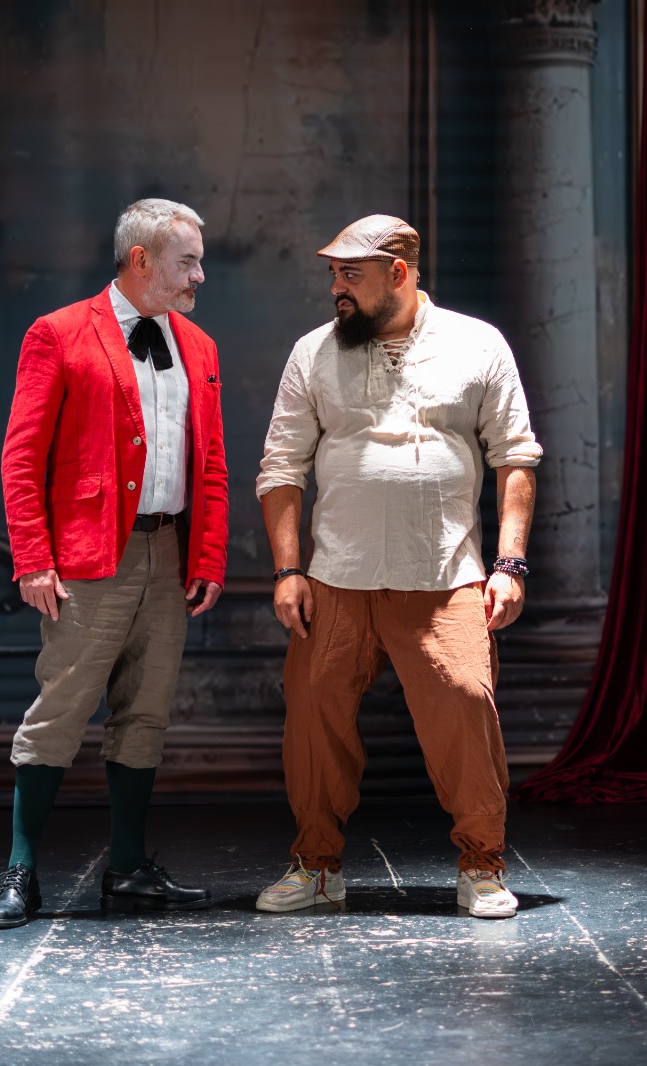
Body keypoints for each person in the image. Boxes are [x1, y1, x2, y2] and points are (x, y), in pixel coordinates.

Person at [253, 214, 542, 919]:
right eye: (333, 274)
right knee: (314, 719)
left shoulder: (477, 344)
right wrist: (289, 572)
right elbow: (281, 467)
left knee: (466, 707)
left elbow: (515, 458)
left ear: (400, 274)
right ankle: (316, 866)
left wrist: (509, 562)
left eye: (351, 274)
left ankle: (482, 866)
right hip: (336, 578)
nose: (337, 287)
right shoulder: (312, 352)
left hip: (444, 575)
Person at [0, 198, 228, 928]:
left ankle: (127, 867)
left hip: (168, 552)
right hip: (89, 556)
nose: (200, 276)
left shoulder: (200, 347)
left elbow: (212, 463)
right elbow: (21, 456)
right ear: (141, 259)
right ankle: (21, 871)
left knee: (145, 712)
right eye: (188, 262)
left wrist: (208, 554)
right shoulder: (58, 333)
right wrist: (33, 558)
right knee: (60, 709)